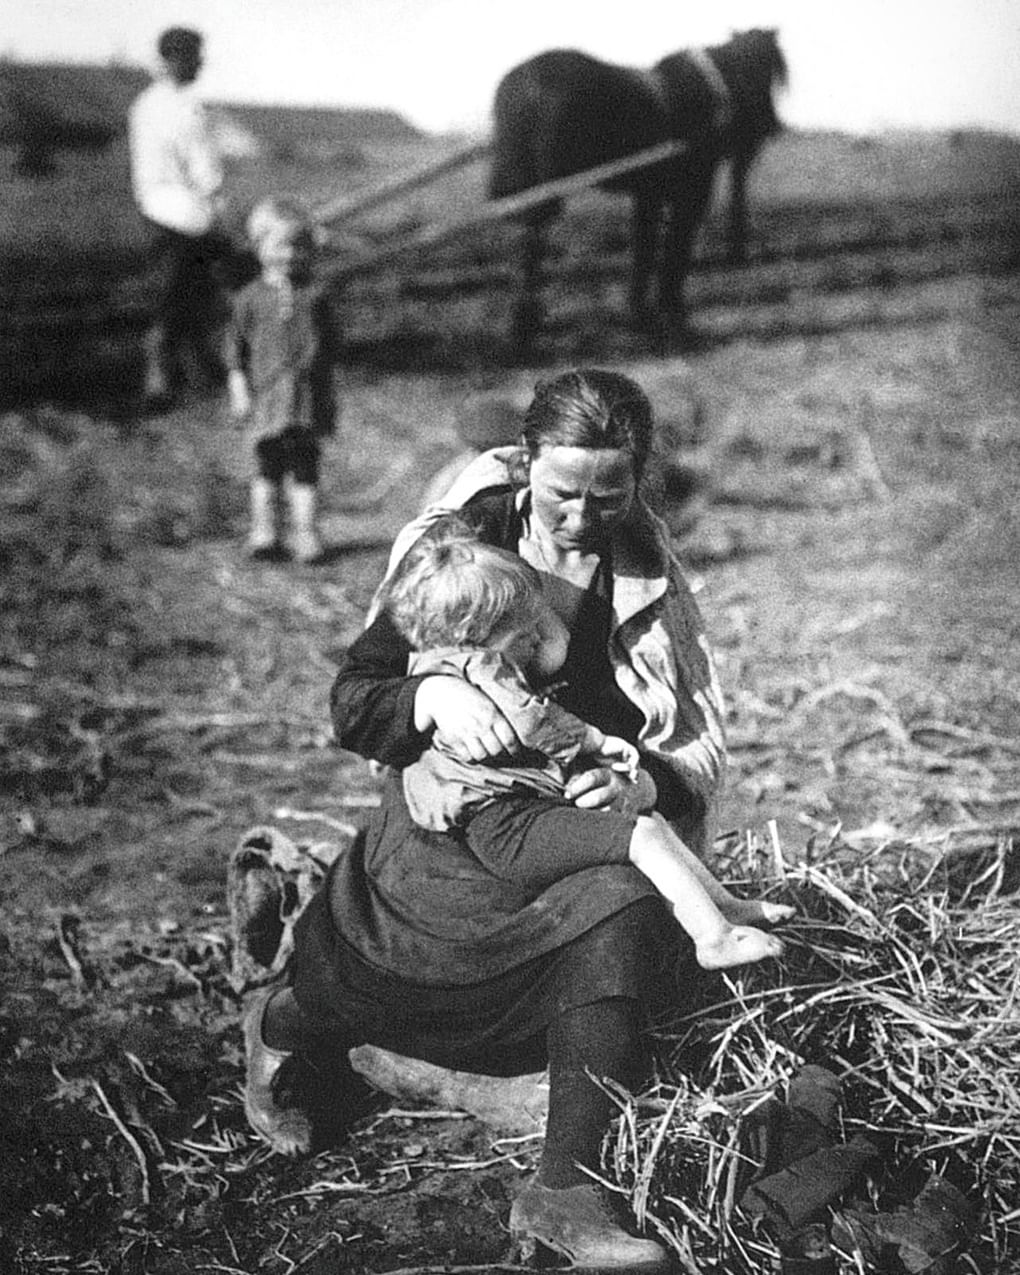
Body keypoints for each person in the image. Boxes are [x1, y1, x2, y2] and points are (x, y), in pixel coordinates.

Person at [242, 369, 740, 1271]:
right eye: (562, 493)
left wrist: (641, 787)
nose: (582, 518)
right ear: (523, 463)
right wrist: (427, 699)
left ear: (638, 482)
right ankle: (281, 1021)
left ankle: (565, 1192)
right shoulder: (461, 545)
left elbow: (693, 749)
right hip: (448, 809)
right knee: (375, 976)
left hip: (562, 813)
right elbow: (357, 700)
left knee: (623, 898)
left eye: (608, 495)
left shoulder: (650, 586)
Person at [383, 520, 792, 969]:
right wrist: (596, 740)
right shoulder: (478, 667)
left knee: (646, 821)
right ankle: (713, 939)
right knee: (643, 837)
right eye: (523, 637)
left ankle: (724, 907)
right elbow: (532, 720)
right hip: (503, 823)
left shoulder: (442, 660)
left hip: (514, 808)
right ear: (473, 638)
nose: (537, 639)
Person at [225, 196, 341, 563]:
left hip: (305, 401)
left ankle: (306, 534)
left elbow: (331, 349)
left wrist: (327, 394)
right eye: (279, 245)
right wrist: (240, 390)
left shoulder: (316, 296)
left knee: (306, 469)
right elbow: (235, 351)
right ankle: (264, 532)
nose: (289, 255)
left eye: (299, 246)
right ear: (258, 247)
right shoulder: (249, 299)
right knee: (267, 469)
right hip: (267, 400)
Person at [128, 26, 231, 408]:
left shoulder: (143, 104)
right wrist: (217, 211)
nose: (200, 62)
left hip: (155, 210)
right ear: (175, 59)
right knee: (190, 295)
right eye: (194, 55)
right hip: (187, 214)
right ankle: (163, 376)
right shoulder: (187, 108)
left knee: (179, 294)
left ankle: (194, 369)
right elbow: (205, 171)